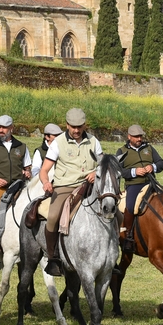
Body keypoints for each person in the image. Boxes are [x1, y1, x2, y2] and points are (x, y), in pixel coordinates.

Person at [38, 108, 102, 277]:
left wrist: (96, 173)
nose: (76, 130)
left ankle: (111, 257)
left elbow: (103, 164)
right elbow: (44, 169)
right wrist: (45, 182)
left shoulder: (94, 141)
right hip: (65, 187)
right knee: (52, 218)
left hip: (90, 186)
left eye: (80, 126)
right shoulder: (58, 142)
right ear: (66, 125)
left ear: (84, 125)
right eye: (73, 126)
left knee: (115, 214)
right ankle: (53, 258)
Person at [0, 115, 32, 262]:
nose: (0, 130)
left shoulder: (21, 147)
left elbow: (27, 166)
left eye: (4, 127)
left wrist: (27, 172)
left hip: (18, 185)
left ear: (12, 128)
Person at [115, 124, 163, 252]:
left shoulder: (149, 148)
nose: (139, 139)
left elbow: (161, 163)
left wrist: (152, 167)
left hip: (152, 182)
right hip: (134, 185)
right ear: (129, 137)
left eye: (140, 136)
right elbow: (118, 170)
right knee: (131, 206)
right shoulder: (121, 151)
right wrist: (134, 172)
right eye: (136, 137)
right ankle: (128, 236)